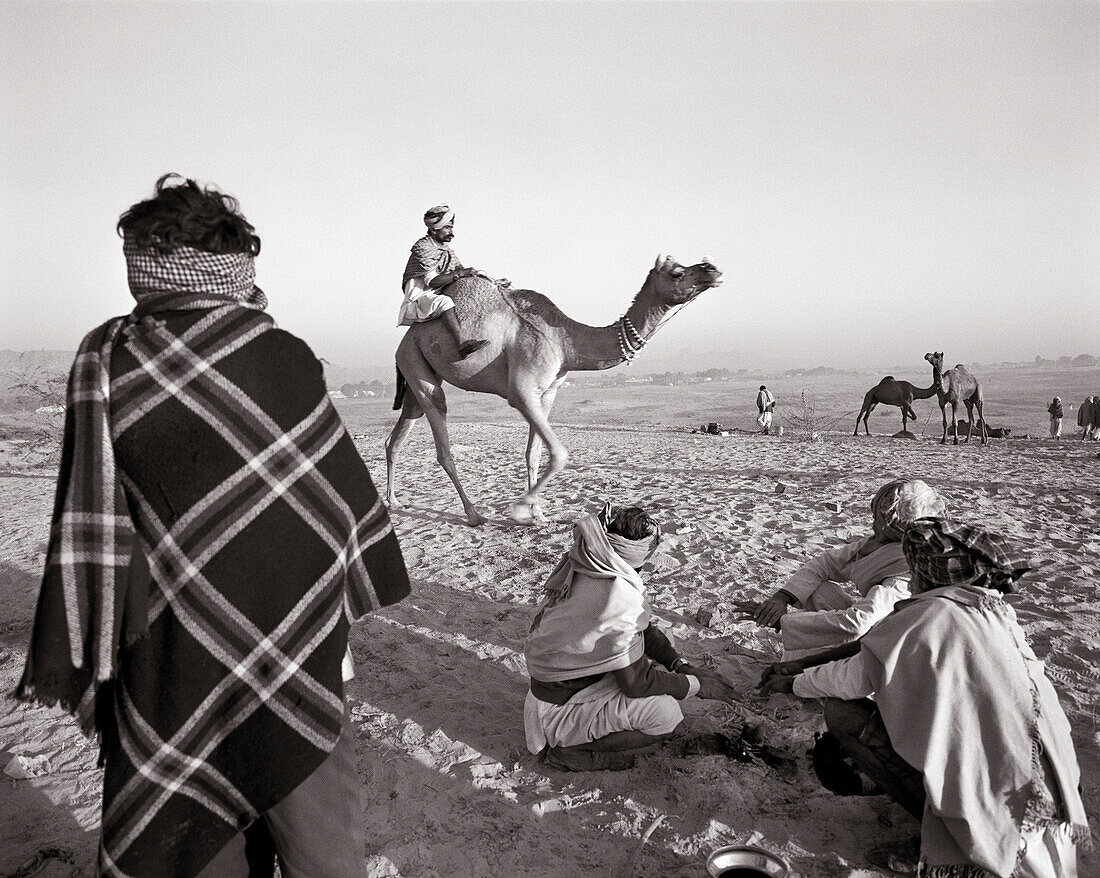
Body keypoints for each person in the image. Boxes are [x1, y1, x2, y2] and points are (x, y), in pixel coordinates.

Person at [14, 174, 411, 878]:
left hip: (167, 659)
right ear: (238, 267)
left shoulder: (106, 355)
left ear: (146, 267)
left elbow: (91, 526)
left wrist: (98, 663)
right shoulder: (284, 353)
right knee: (324, 851)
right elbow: (338, 511)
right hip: (293, 651)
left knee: (188, 846)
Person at [759, 518, 1088, 877]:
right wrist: (803, 664)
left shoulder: (928, 616)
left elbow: (851, 679)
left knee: (843, 714)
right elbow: (874, 645)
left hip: (1005, 829)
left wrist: (792, 684)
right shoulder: (991, 609)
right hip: (1056, 804)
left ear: (926, 573)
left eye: (914, 569)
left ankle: (946, 839)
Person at [523, 504, 737, 771]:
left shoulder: (587, 563)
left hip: (555, 687)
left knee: (657, 646)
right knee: (665, 715)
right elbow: (635, 684)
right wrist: (697, 686)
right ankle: (570, 750)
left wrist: (679, 665)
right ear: (639, 557)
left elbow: (643, 629)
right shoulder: (619, 598)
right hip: (558, 710)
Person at [733, 479, 946, 659]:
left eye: (878, 518)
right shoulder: (881, 544)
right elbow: (826, 563)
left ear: (894, 524)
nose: (873, 524)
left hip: (904, 652)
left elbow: (857, 624)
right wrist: (782, 598)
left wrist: (782, 623)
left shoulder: (909, 570)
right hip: (880, 629)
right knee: (819, 590)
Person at [399, 204, 497, 359]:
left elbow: (461, 270)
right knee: (445, 302)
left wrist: (491, 282)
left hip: (435, 295)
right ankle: (461, 343)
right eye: (447, 228)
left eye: (451, 227)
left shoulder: (445, 250)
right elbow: (433, 282)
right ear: (433, 229)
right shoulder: (423, 248)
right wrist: (459, 274)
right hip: (419, 300)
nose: (451, 232)